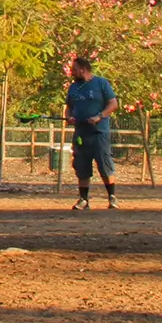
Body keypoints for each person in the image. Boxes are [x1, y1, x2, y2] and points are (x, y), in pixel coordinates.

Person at [64, 57, 119, 210]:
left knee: (104, 163)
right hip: (81, 133)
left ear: (83, 69)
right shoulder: (73, 88)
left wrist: (99, 116)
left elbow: (113, 104)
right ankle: (83, 199)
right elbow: (68, 107)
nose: (72, 72)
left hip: (98, 132)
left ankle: (112, 197)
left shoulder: (101, 83)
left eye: (74, 69)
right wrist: (69, 117)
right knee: (81, 165)